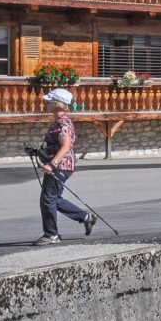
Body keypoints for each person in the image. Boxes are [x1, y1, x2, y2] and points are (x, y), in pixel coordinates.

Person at [34, 88, 95, 245]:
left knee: (47, 199)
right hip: (61, 165)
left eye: (49, 101)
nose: (46, 103)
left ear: (57, 104)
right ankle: (85, 217)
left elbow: (66, 146)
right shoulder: (59, 122)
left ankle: (51, 235)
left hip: (60, 166)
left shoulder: (63, 123)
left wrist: (52, 164)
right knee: (54, 198)